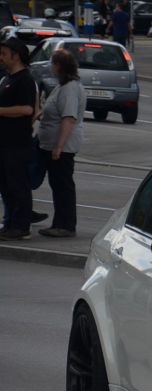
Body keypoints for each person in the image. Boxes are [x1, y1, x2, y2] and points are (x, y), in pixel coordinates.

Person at [34, 48, 86, 238]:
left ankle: (65, 225)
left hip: (62, 146)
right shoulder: (62, 86)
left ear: (58, 66)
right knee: (58, 184)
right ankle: (60, 222)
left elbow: (68, 118)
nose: (51, 67)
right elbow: (54, 111)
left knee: (62, 185)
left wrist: (59, 146)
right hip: (52, 143)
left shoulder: (70, 88)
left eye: (53, 64)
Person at [0, 38, 38, 240]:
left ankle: (21, 225)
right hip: (5, 142)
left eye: (4, 54)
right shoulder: (7, 79)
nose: (1, 58)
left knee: (17, 185)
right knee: (6, 185)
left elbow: (27, 109)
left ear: (16, 55)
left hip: (17, 143)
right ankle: (10, 223)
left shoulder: (24, 80)